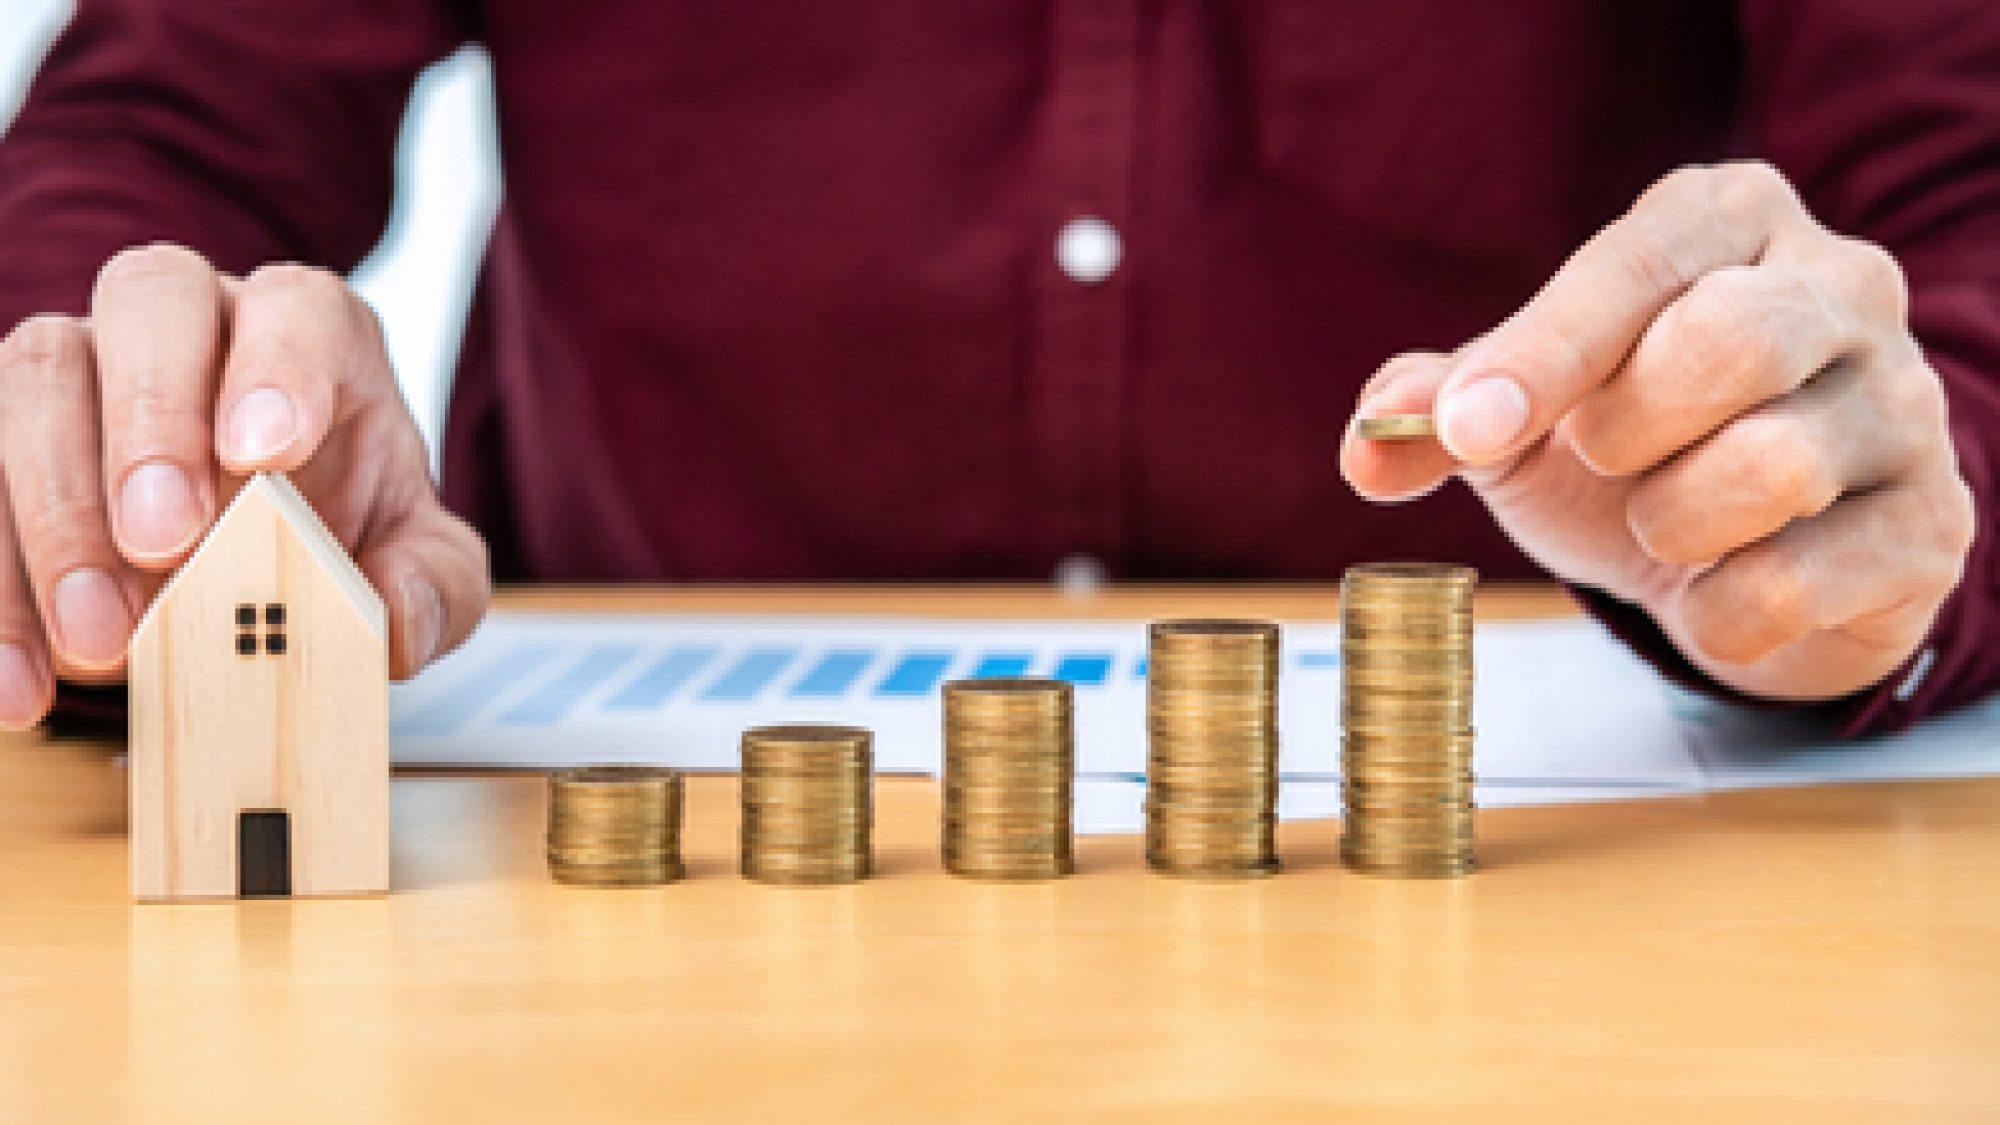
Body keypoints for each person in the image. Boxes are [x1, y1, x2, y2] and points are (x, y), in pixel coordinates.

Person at [0, 3, 1993, 735]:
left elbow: (1968, 235)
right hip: (599, 943)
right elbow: (154, 136)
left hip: (1547, 931)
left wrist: (1876, 537)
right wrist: (133, 446)